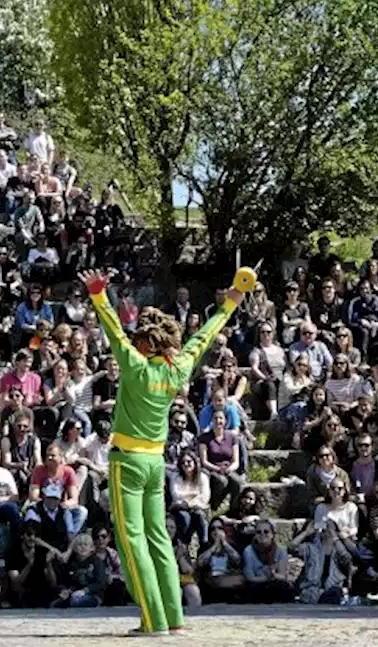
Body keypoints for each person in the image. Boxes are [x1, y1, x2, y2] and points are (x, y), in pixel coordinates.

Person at [80, 266, 249, 636]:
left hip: (127, 461)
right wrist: (232, 300)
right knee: (158, 537)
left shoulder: (136, 366)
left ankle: (151, 619)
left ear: (145, 343)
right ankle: (174, 618)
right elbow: (203, 338)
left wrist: (98, 294)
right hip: (157, 461)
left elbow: (113, 332)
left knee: (131, 540)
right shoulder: (178, 369)